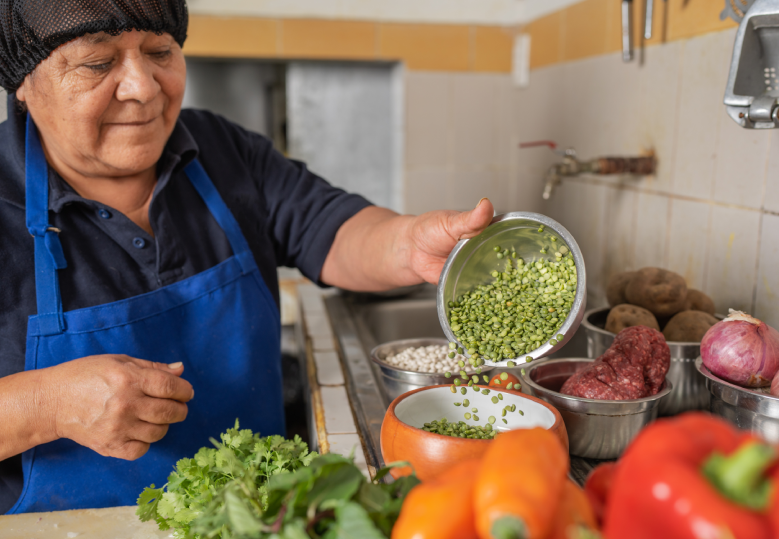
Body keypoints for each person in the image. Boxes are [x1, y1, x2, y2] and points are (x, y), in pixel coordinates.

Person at [0, 0, 495, 514]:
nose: (144, 87)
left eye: (160, 52)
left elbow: (331, 228)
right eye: (98, 64)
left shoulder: (221, 150)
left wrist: (408, 242)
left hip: (258, 517)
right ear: (23, 82)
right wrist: (48, 404)